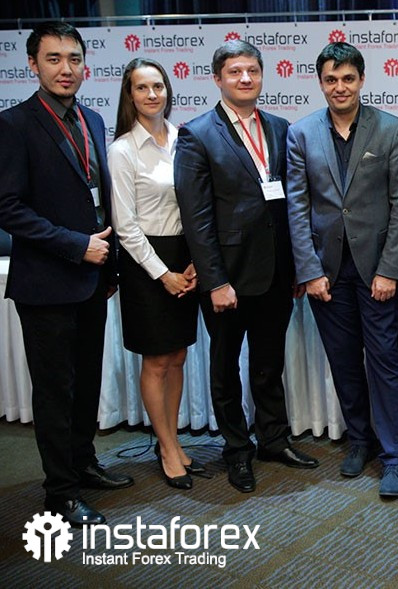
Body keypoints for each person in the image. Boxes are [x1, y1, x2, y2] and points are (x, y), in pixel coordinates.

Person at [0, 22, 133, 526]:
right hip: (47, 283)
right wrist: (77, 247)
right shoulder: (14, 124)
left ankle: (83, 463)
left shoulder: (92, 119)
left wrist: (108, 262)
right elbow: (8, 208)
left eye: (74, 58)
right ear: (32, 65)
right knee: (55, 392)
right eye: (53, 59)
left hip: (93, 281)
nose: (65, 68)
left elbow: (97, 201)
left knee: (86, 382)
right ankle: (60, 492)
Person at [174, 40, 318, 494]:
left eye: (252, 70)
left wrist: (297, 267)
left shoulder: (278, 127)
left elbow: (291, 204)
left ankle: (273, 439)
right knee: (225, 369)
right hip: (228, 278)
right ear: (217, 78)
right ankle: (237, 448)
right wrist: (214, 280)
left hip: (276, 272)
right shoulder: (197, 134)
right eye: (235, 71)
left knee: (268, 362)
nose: (245, 78)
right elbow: (196, 218)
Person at [286, 43, 398, 497]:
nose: (339, 87)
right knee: (343, 361)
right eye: (330, 79)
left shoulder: (391, 129)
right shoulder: (301, 133)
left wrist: (390, 269)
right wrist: (308, 270)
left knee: (385, 361)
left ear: (361, 80)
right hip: (326, 273)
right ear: (321, 83)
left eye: (347, 79)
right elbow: (298, 207)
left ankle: (395, 455)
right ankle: (360, 440)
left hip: (376, 270)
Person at [109, 58, 207, 490]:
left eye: (158, 86)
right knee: (156, 359)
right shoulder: (123, 150)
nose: (152, 94)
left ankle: (175, 441)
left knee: (179, 355)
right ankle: (166, 447)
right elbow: (126, 227)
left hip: (185, 256)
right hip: (145, 262)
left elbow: (197, 204)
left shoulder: (184, 140)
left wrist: (196, 260)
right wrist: (163, 274)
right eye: (142, 87)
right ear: (130, 96)